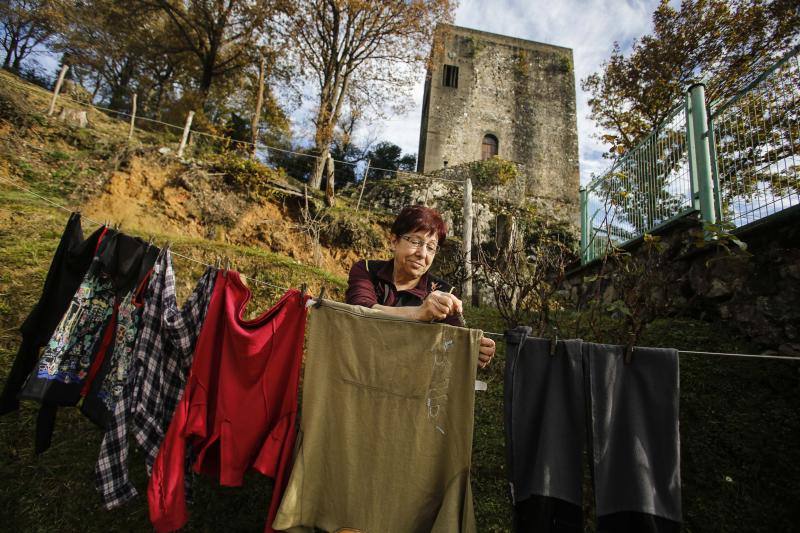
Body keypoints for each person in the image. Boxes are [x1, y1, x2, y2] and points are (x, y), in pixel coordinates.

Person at [346, 205, 496, 368]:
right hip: (358, 369)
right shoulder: (367, 270)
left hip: (409, 382)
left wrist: (470, 349)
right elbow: (359, 311)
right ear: (394, 241)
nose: (422, 254)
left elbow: (451, 343)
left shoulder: (444, 293)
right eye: (416, 242)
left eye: (431, 247)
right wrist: (418, 313)